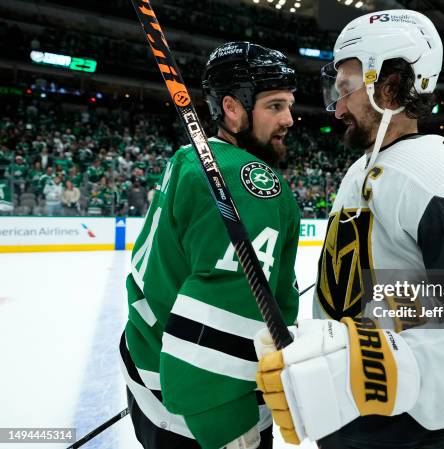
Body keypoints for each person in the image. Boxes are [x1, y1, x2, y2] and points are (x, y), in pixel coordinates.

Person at [256, 9, 444, 449]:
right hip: (362, 429)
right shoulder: (361, 171)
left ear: (392, 84)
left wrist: (369, 369)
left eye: (346, 89)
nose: (337, 106)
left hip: (437, 436)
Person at [120, 41, 301, 449]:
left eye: (289, 105)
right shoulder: (248, 179)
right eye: (274, 106)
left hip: (151, 377)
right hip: (202, 413)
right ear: (233, 108)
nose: (290, 118)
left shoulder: (188, 158)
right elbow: (221, 310)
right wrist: (228, 429)